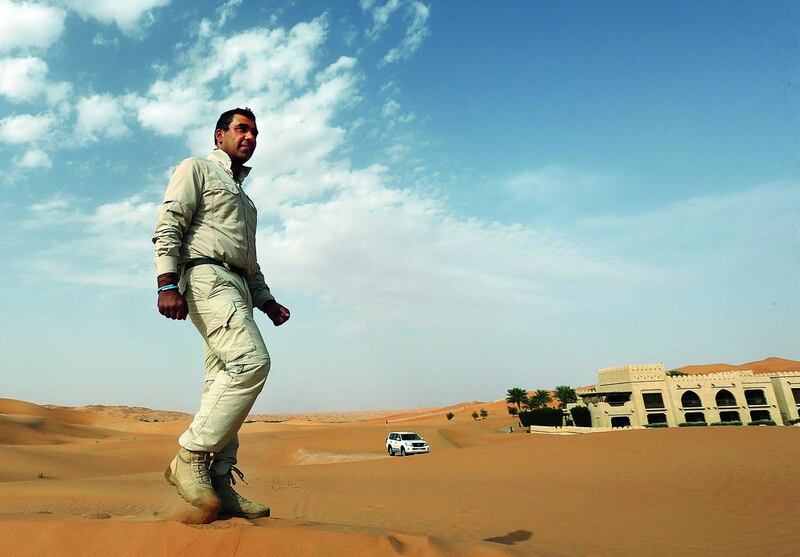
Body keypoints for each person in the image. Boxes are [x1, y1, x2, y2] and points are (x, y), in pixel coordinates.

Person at [152, 107, 290, 519]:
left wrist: (266, 300)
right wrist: (166, 282)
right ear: (219, 136)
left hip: (239, 288)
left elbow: (249, 261)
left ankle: (218, 481)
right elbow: (170, 222)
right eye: (241, 129)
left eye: (255, 132)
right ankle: (189, 454)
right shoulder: (197, 169)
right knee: (251, 363)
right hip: (205, 276)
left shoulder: (246, 201)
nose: (250, 137)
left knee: (221, 383)